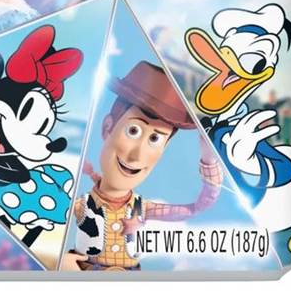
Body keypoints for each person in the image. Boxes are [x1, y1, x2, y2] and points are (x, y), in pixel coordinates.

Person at [62, 61, 222, 272]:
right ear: (108, 127)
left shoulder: (143, 209)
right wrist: (61, 261)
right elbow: (39, 223)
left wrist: (209, 160)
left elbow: (198, 206)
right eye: (133, 131)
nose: (136, 155)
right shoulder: (80, 204)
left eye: (155, 139)